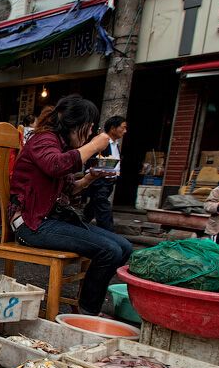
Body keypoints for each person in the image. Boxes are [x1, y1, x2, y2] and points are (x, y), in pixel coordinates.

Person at [9, 95, 133, 316]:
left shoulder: (59, 144)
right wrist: (94, 146)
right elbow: (55, 165)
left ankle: (86, 307)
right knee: (109, 250)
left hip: (52, 219)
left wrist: (88, 179)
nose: (90, 133)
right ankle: (87, 313)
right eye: (89, 126)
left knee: (124, 247)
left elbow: (68, 188)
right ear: (75, 124)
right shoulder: (44, 139)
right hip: (31, 225)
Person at [82, 115, 127, 231]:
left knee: (91, 209)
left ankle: (78, 225)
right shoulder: (101, 141)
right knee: (104, 211)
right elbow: (90, 161)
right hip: (99, 182)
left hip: (109, 183)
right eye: (123, 127)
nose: (125, 131)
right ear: (113, 128)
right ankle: (109, 235)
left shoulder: (115, 144)